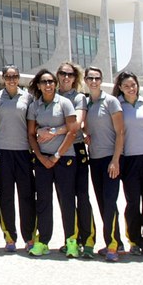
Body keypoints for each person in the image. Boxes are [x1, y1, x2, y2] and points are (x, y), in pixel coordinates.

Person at [26, 68, 78, 257]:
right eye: (44, 82)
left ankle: (71, 241)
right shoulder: (34, 106)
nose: (48, 85)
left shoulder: (65, 103)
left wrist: (56, 155)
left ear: (55, 84)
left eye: (51, 81)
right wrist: (40, 157)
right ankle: (43, 241)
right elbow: (31, 134)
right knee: (44, 201)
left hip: (64, 158)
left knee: (66, 200)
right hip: (42, 160)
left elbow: (72, 131)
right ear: (38, 86)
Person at [0, 65, 35, 252]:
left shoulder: (28, 98)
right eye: (8, 76)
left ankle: (29, 237)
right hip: (3, 151)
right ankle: (10, 237)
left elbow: (31, 123)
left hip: (23, 152)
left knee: (26, 196)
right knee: (6, 196)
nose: (11, 79)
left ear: (19, 78)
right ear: (3, 78)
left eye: (15, 76)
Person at [83, 65, 125, 261]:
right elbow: (86, 128)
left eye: (97, 78)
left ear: (101, 80)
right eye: (90, 78)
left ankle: (113, 246)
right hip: (95, 160)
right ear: (85, 80)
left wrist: (115, 160)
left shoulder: (111, 101)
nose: (93, 81)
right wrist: (86, 136)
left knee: (110, 202)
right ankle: (114, 240)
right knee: (102, 202)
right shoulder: (87, 103)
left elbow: (120, 132)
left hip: (110, 159)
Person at [116, 71, 143, 257]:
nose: (130, 88)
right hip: (129, 158)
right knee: (132, 202)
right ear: (120, 88)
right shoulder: (117, 105)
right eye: (126, 86)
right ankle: (134, 240)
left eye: (133, 85)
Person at [56, 62, 94, 257]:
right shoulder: (51, 95)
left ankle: (87, 240)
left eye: (70, 74)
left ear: (75, 77)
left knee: (82, 196)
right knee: (65, 198)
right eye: (62, 73)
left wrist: (54, 130)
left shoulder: (79, 98)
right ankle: (70, 238)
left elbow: (77, 124)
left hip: (76, 149)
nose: (66, 77)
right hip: (59, 151)